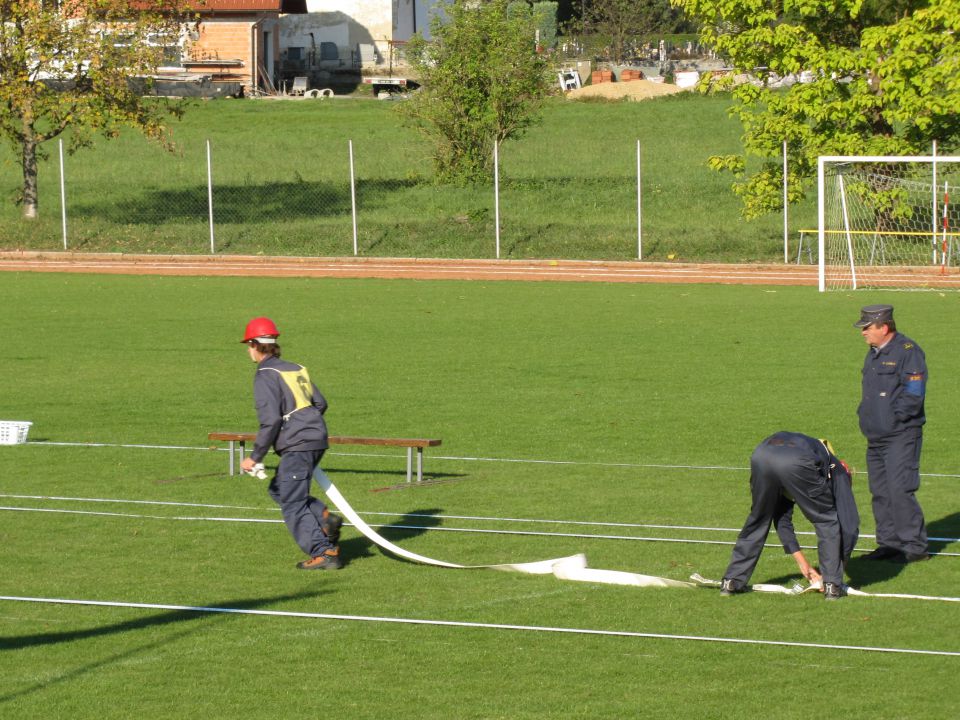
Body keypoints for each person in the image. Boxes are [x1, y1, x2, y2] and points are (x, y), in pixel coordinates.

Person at [239, 317, 344, 570]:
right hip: (316, 438)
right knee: (279, 489)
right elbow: (321, 403)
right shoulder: (295, 368)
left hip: (299, 444)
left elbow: (271, 421)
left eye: (248, 345)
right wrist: (306, 425)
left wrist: (255, 456)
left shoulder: (265, 375)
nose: (247, 350)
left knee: (292, 503)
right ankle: (324, 518)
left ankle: (325, 552)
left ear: (255, 344)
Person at [720, 432, 859, 600]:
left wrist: (804, 564)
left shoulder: (815, 454)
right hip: (797, 461)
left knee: (759, 519)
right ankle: (832, 588)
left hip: (761, 455)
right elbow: (850, 528)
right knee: (826, 520)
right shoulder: (839, 471)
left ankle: (731, 581)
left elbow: (781, 517)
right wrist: (837, 571)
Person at [854, 304, 929, 563]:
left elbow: (914, 394)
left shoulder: (908, 352)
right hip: (875, 436)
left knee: (900, 489)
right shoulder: (873, 353)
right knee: (880, 491)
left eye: (867, 327)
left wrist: (895, 418)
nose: (863, 332)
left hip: (900, 435)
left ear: (883, 327)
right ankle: (889, 544)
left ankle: (914, 547)